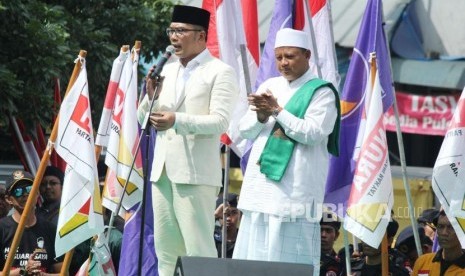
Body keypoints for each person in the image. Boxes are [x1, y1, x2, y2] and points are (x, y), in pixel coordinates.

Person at [136, 5, 239, 276]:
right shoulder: (166, 70)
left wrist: (177, 120)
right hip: (162, 172)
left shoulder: (219, 71)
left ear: (201, 36)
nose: (173, 37)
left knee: (198, 249)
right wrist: (150, 96)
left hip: (195, 174)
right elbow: (143, 117)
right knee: (166, 250)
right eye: (171, 30)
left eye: (181, 31)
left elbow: (220, 122)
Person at [232, 28, 340, 275]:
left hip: (294, 192)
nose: (283, 63)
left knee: (290, 261)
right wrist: (261, 115)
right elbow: (245, 130)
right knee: (253, 258)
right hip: (260, 189)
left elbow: (312, 133)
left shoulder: (321, 91)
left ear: (307, 55)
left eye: (290, 56)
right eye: (279, 57)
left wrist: (277, 111)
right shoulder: (270, 85)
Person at [0, 170, 62, 275]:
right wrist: (22, 271)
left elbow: (63, 272)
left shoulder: (51, 230)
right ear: (8, 199)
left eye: (29, 189)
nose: (25, 194)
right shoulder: (2, 228)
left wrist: (43, 275)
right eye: (18, 191)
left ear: (37, 193)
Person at [339, 218, 410, 276]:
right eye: (365, 235)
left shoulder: (398, 273)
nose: (368, 241)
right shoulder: (350, 268)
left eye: (375, 236)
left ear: (389, 241)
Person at [412, 210, 465, 275]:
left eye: (451, 227)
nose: (444, 233)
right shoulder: (422, 262)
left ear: (461, 230)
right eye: (440, 227)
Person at [213, 193, 241, 258]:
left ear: (240, 216)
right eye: (223, 212)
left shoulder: (243, 239)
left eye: (234, 213)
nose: (228, 218)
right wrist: (215, 216)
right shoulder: (211, 235)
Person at [320, 211, 341, 276]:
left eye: (328, 231)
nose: (323, 235)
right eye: (320, 230)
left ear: (336, 235)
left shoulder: (340, 263)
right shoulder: (304, 258)